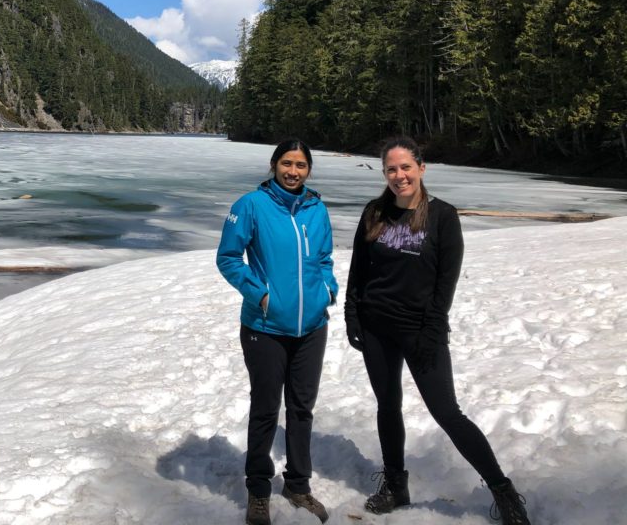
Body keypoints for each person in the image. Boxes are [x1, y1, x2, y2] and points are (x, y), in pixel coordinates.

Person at [344, 136, 532, 525]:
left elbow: (446, 282)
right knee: (387, 405)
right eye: (391, 169)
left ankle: (504, 492)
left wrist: (433, 328)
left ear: (421, 169)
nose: (400, 176)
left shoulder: (442, 216)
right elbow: (358, 271)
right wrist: (351, 314)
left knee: (447, 412)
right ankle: (396, 485)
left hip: (420, 329)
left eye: (406, 167)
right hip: (376, 325)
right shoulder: (374, 212)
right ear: (384, 173)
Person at [217, 139, 337, 525]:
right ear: (274, 165)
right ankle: (258, 491)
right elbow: (228, 257)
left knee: (301, 408)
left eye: (301, 165)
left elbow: (324, 258)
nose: (293, 171)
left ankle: (298, 485)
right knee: (267, 409)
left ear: (309, 170)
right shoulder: (251, 205)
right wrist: (259, 294)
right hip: (265, 327)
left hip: (311, 327)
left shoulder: (316, 209)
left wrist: (328, 290)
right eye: (287, 163)